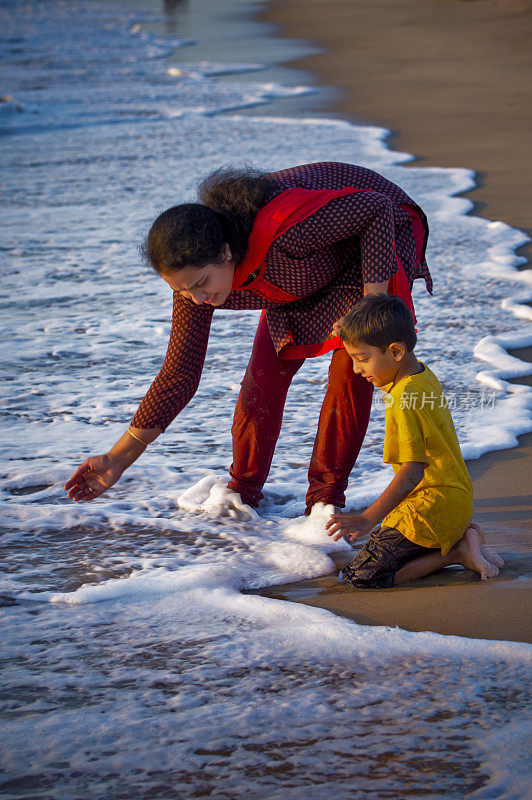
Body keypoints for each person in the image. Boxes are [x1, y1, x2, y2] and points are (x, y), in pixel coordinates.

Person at [64, 162, 432, 514]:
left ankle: (325, 503)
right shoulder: (195, 286)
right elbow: (179, 376)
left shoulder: (286, 230)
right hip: (304, 265)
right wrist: (117, 458)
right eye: (183, 290)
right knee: (263, 377)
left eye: (200, 284)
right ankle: (242, 495)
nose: (196, 298)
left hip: (378, 232)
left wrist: (372, 302)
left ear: (225, 252)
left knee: (350, 368)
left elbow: (375, 208)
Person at [325, 293, 504, 587]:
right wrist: (353, 330)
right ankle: (457, 538)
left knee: (360, 577)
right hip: (456, 502)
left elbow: (411, 471)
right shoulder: (421, 374)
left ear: (396, 352)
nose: (357, 369)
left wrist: (368, 519)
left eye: (362, 358)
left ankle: (456, 552)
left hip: (429, 510)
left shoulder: (402, 399)